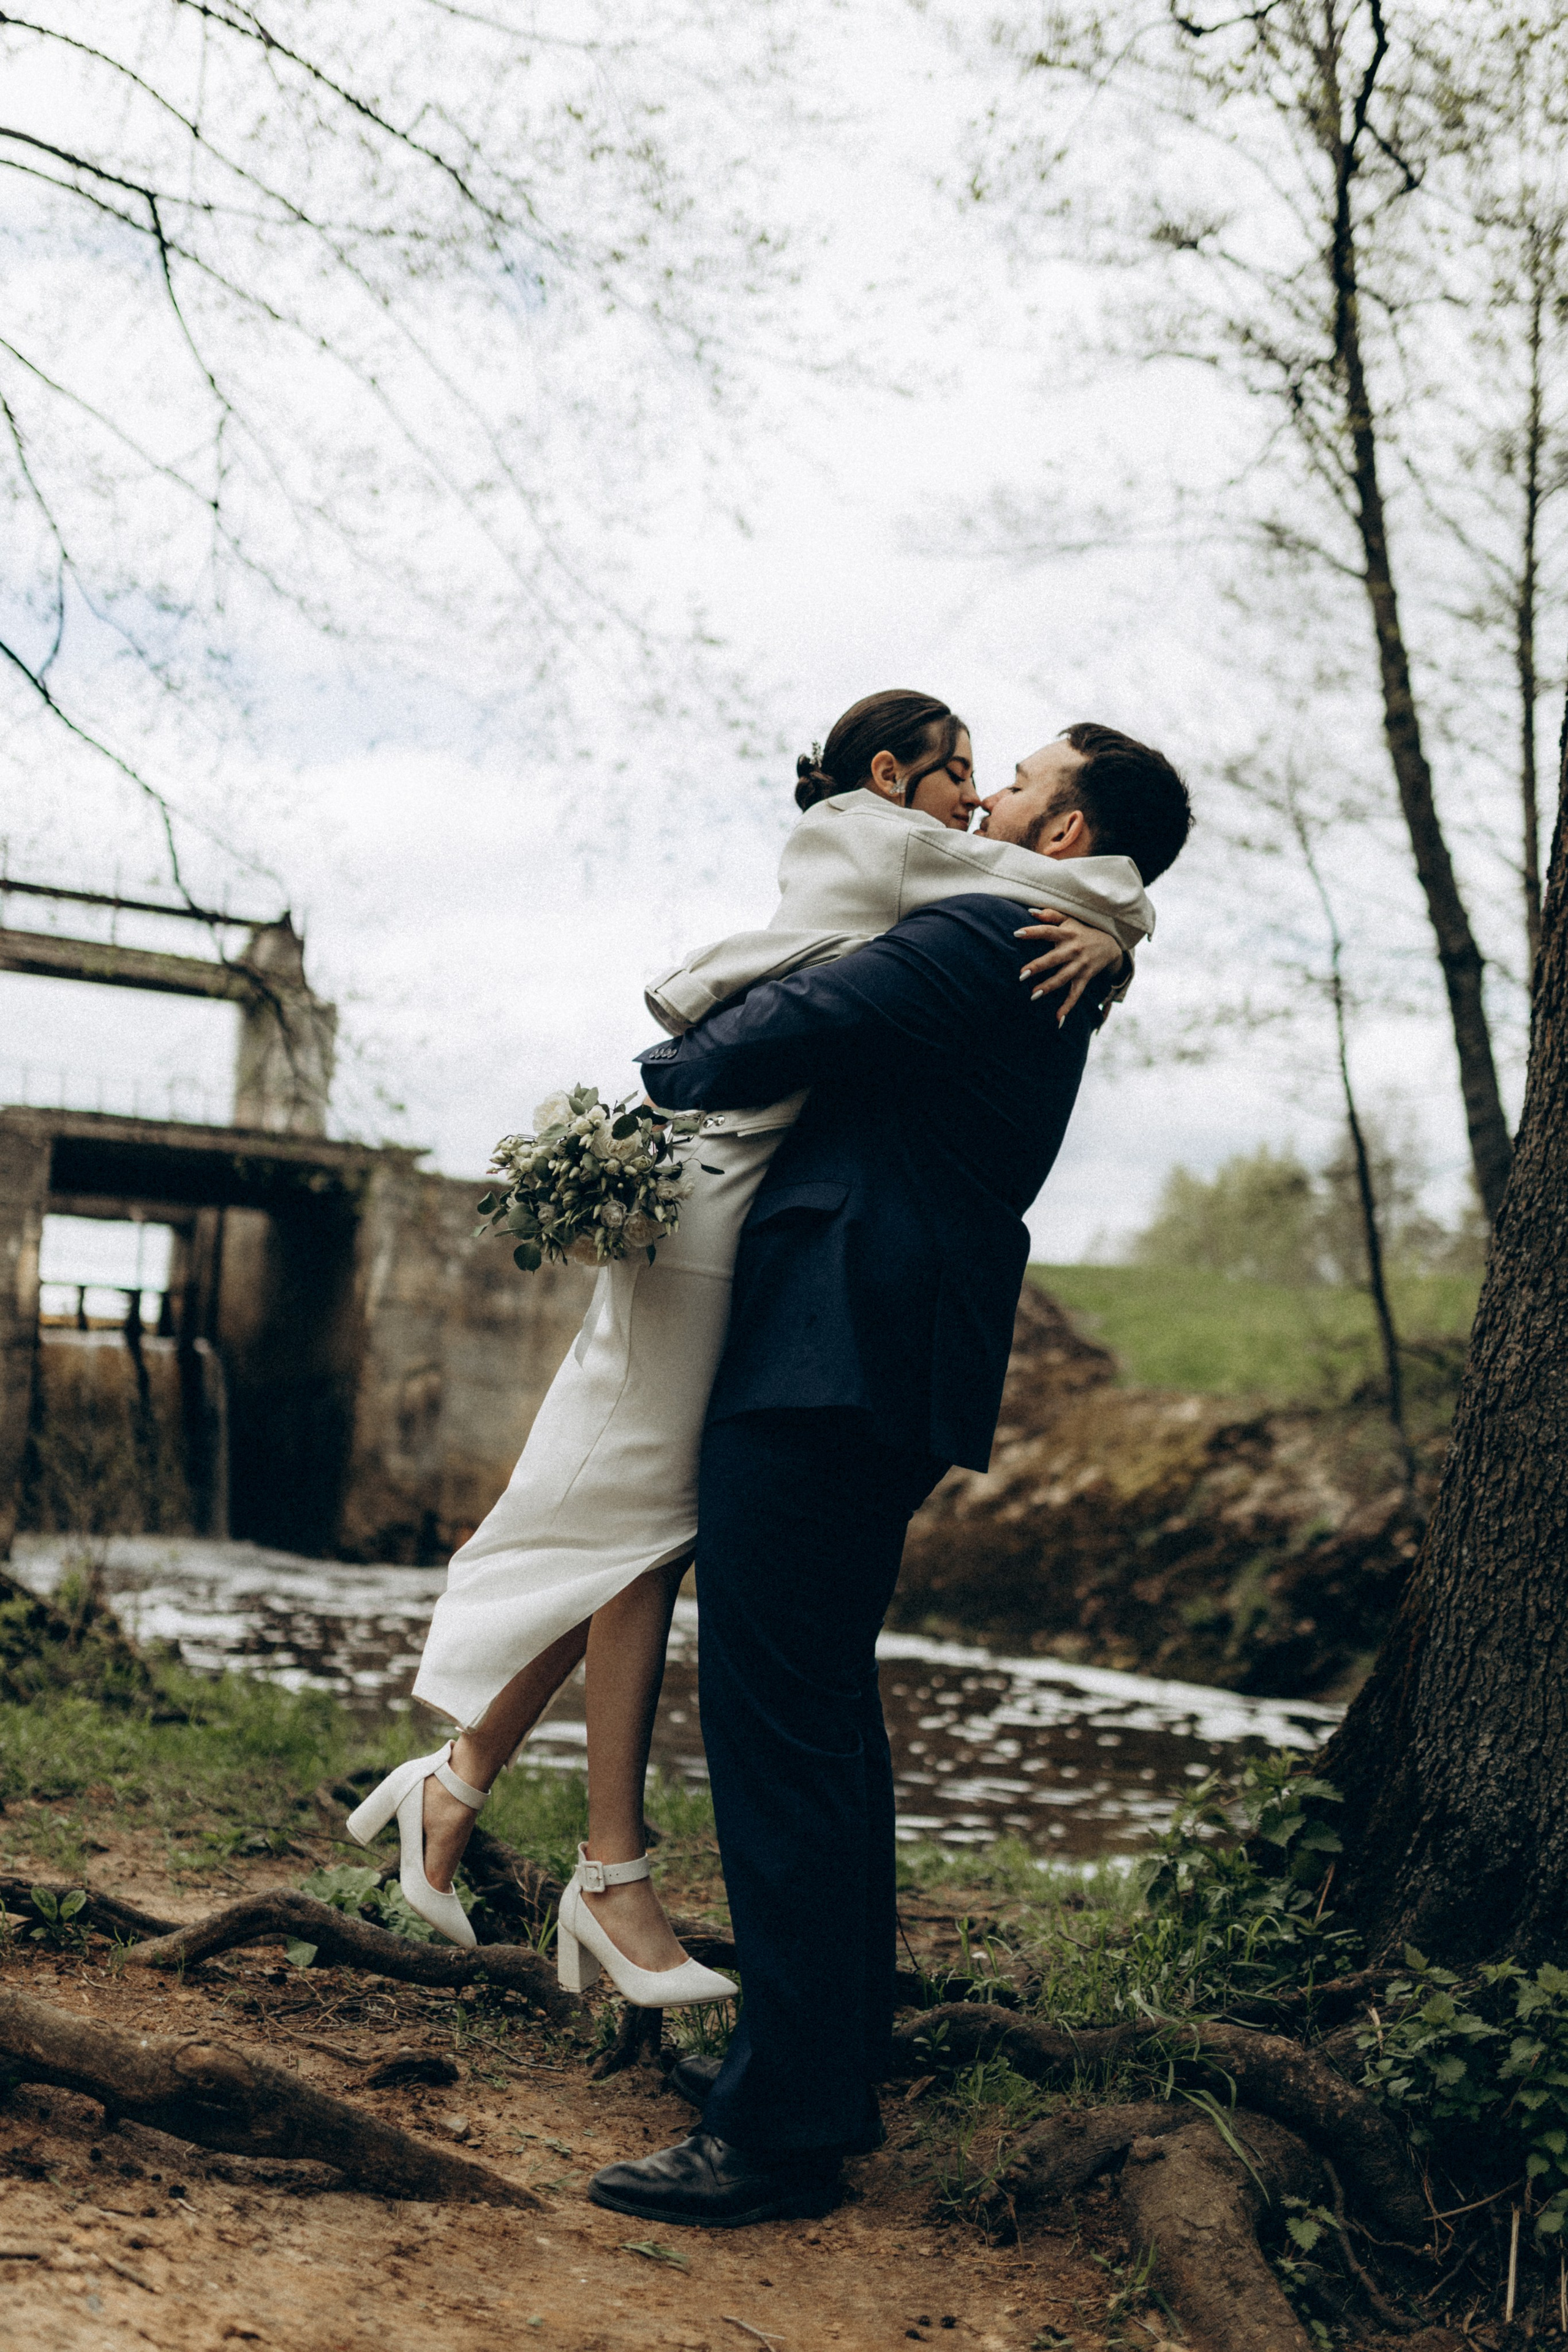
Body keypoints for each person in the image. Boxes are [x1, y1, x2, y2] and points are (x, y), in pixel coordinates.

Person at [345, 693, 1145, 2008]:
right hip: (721, 1192)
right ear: (893, 776)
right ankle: (590, 1869)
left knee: (644, 1513)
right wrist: (1120, 931)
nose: (977, 800)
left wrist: (1108, 940)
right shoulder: (898, 845)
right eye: (964, 775)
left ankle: (475, 1790)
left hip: (748, 1203)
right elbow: (1054, 882)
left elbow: (1048, 881)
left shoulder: (938, 866)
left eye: (1002, 783)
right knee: (647, 1510)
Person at [586, 720, 1191, 2225]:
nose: (982, 797)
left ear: (1060, 837)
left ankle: (783, 2125)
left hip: (824, 1350)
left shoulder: (989, 934)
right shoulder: (1051, 940)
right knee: (826, 1716)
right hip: (894, 1356)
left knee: (777, 1721)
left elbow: (735, 1052)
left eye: (1016, 784)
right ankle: (831, 2051)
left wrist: (661, 1063)